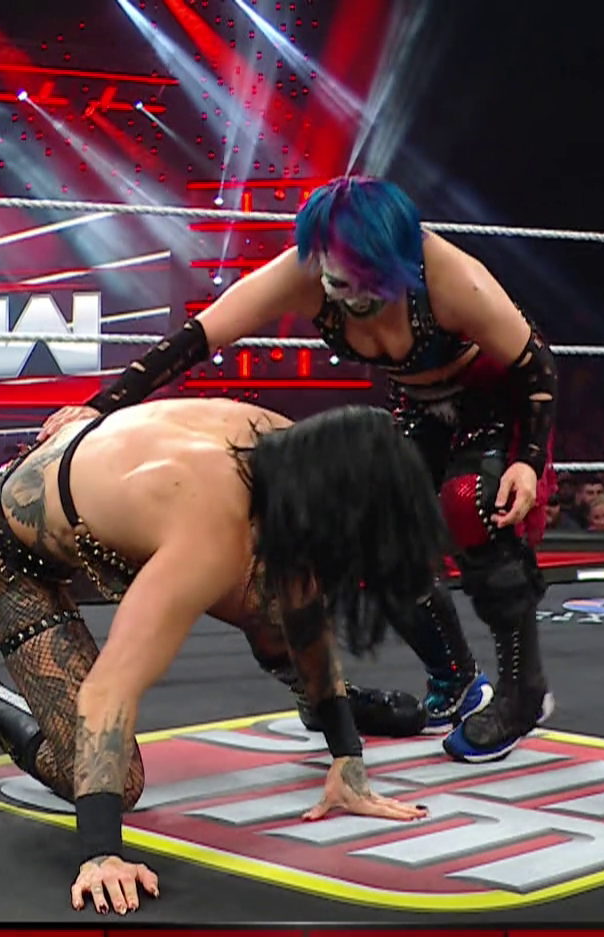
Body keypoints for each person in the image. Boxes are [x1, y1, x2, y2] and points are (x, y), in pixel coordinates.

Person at [38, 176, 558, 764]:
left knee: (471, 504)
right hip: (419, 406)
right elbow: (199, 337)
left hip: (498, 401)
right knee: (372, 529)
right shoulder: (305, 272)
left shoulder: (450, 277)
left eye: (366, 280)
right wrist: (101, 406)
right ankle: (457, 681)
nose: (351, 296)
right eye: (339, 279)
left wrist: (527, 461)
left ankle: (523, 691)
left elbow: (535, 366)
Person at [0, 400, 441, 916]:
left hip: (85, 487)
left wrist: (347, 757)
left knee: (273, 595)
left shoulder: (283, 443)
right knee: (113, 781)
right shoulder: (212, 526)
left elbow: (299, 597)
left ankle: (329, 723)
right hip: (3, 552)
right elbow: (108, 690)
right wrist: (101, 854)